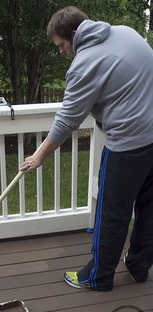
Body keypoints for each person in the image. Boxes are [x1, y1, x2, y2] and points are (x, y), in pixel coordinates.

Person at [20, 6, 153, 291]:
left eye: (61, 45)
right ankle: (139, 266)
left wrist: (39, 156)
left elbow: (68, 119)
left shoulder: (85, 64)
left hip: (127, 147)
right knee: (150, 209)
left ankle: (99, 276)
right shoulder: (127, 33)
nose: (62, 51)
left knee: (112, 213)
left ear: (73, 35)